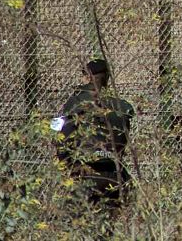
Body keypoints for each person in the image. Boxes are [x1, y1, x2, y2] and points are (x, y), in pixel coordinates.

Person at [53, 59, 135, 216]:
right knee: (110, 224)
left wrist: (66, 167)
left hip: (84, 173)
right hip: (114, 173)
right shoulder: (120, 106)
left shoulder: (76, 103)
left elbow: (62, 138)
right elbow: (124, 140)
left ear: (87, 77)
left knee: (80, 222)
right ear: (108, 78)